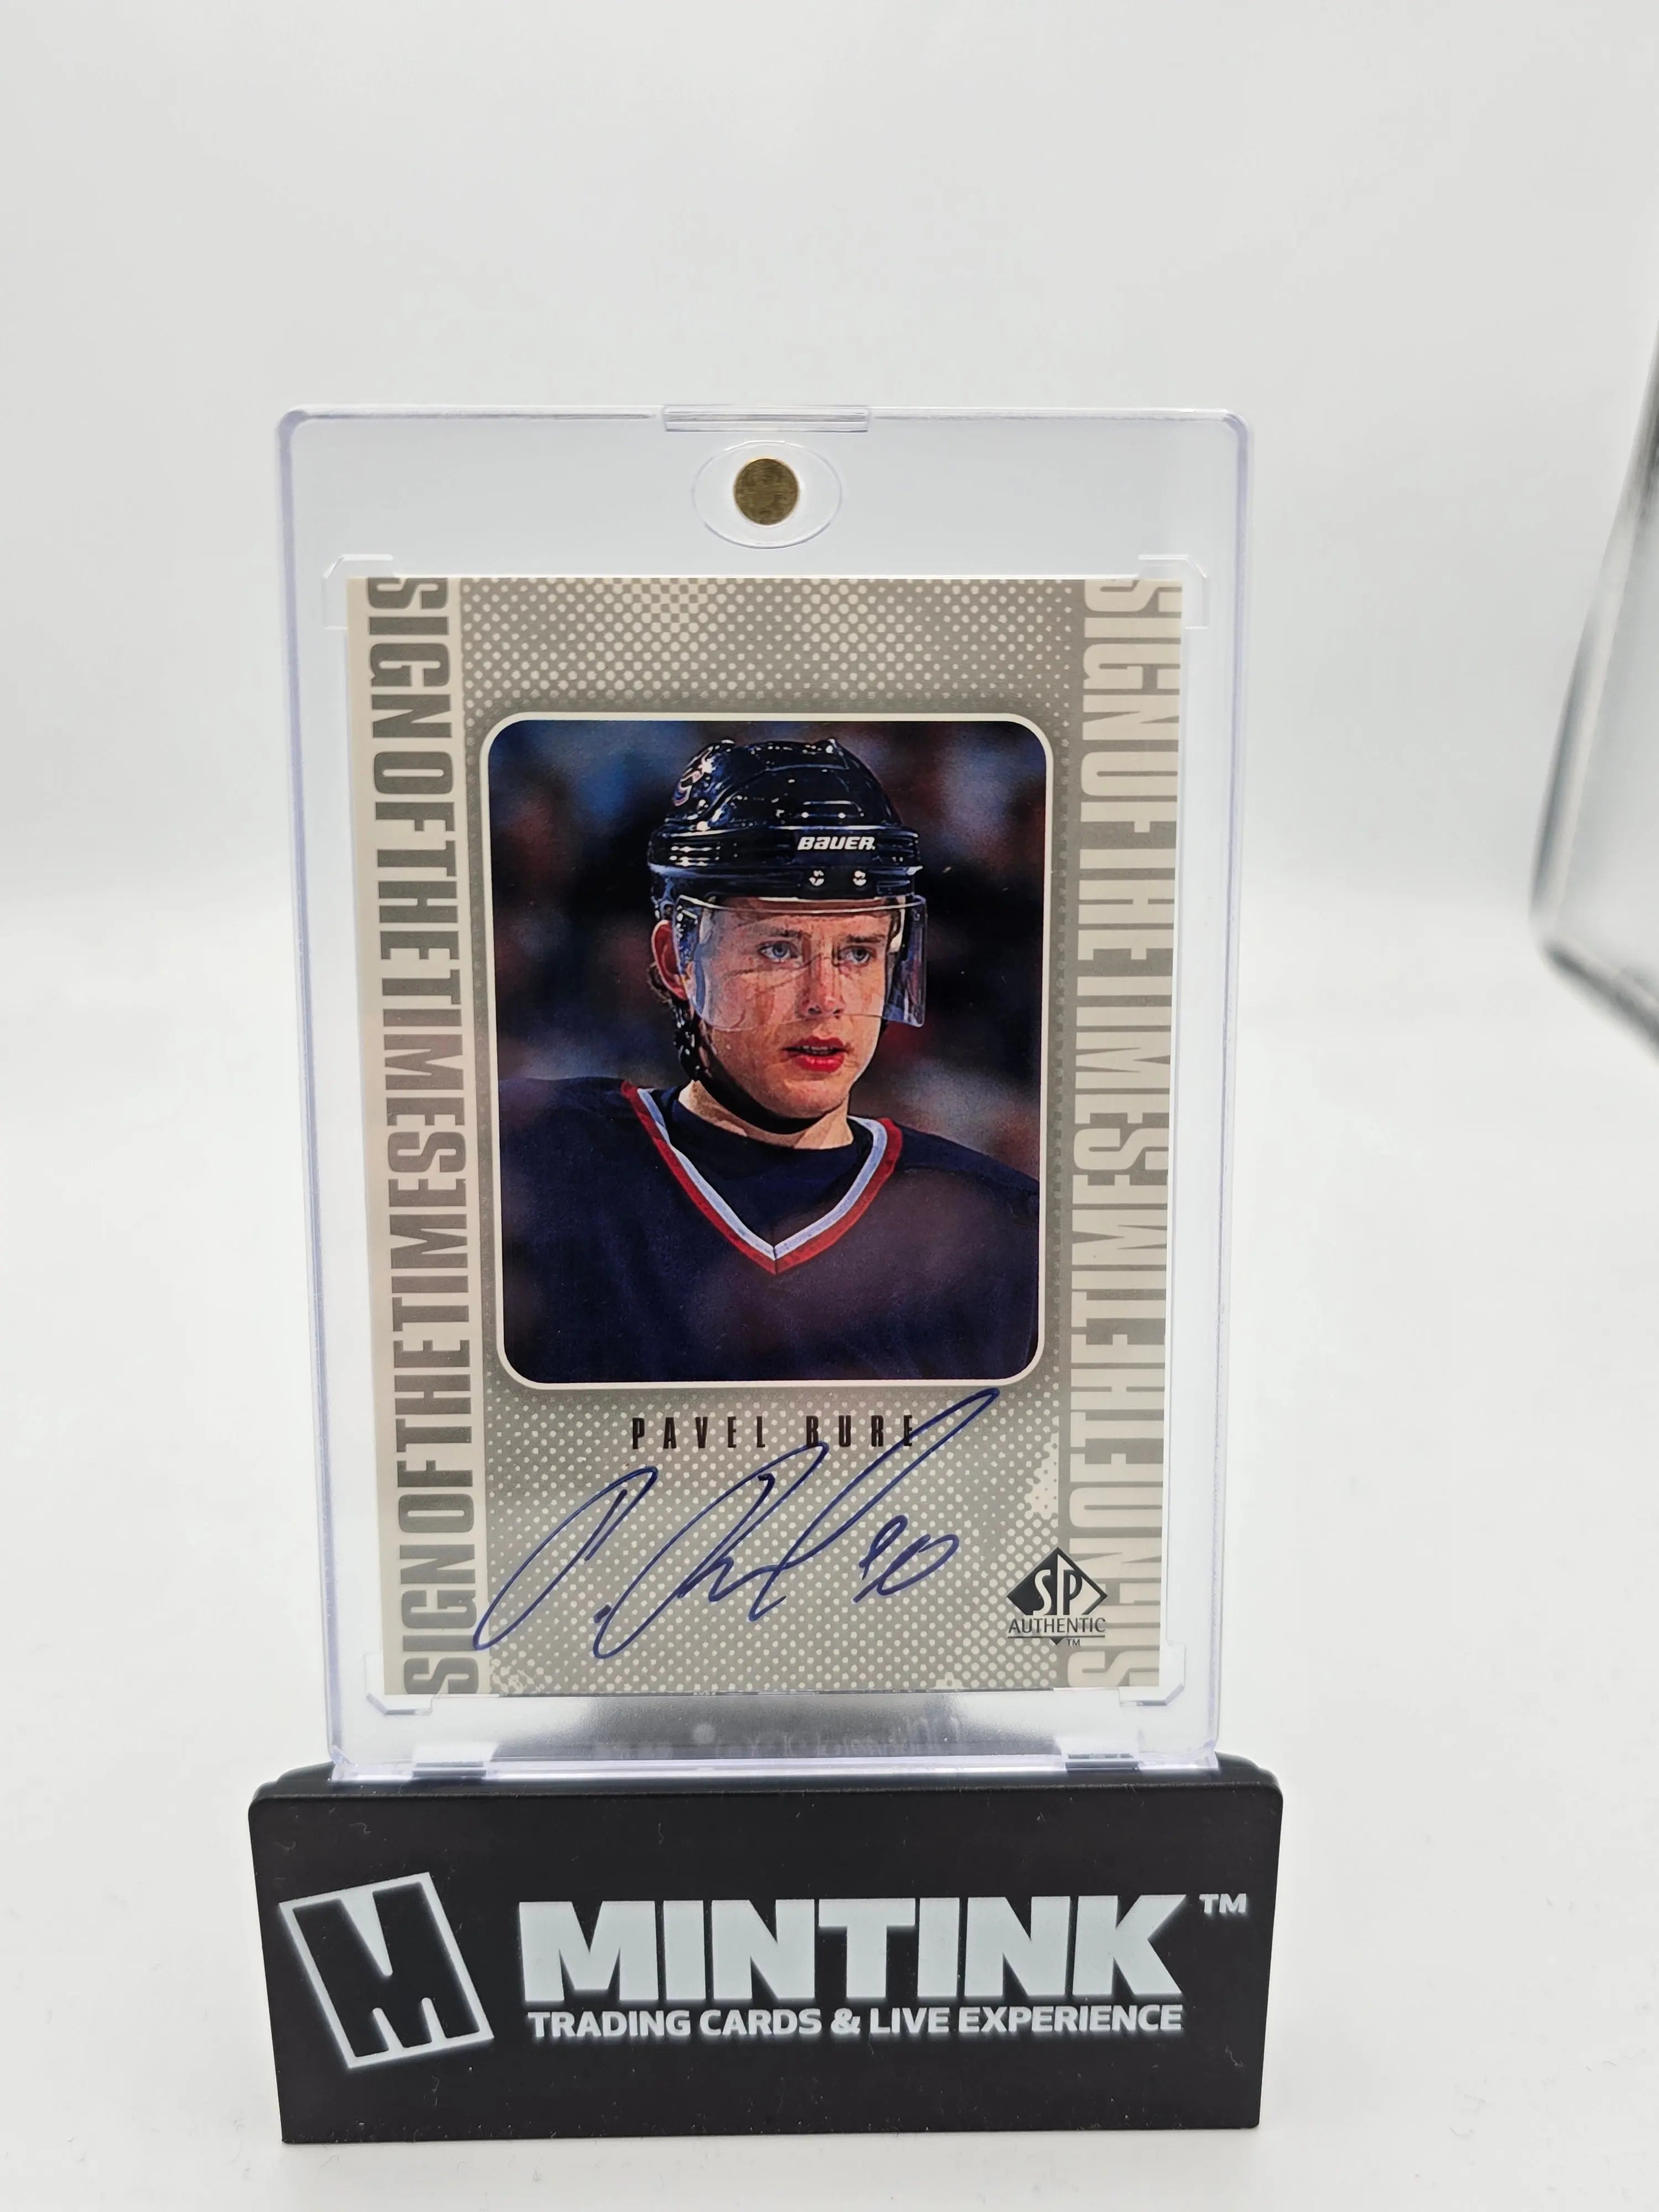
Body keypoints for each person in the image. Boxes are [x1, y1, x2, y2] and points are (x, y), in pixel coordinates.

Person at [497, 735, 1039, 1384]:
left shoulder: (1008, 1227)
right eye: (779, 949)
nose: (825, 999)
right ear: (677, 962)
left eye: (858, 952)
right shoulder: (534, 1158)